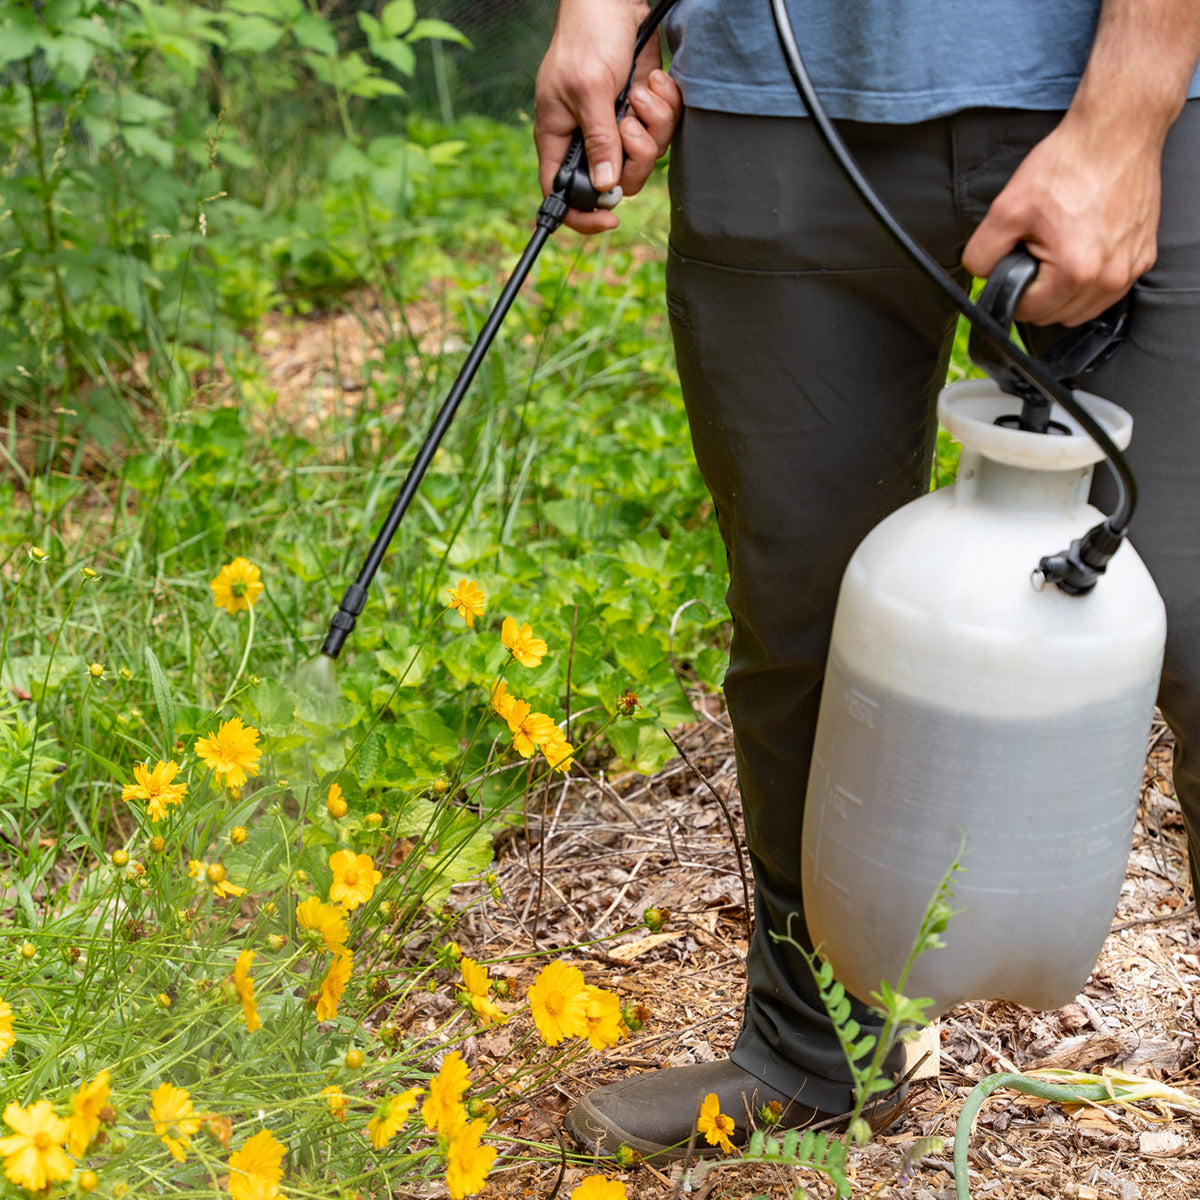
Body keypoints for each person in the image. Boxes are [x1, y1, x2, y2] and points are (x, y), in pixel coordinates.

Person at [534, 0, 1200, 1161]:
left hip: (1155, 103)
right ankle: (814, 1052)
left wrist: (1125, 112)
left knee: (1196, 617)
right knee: (807, 617)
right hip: (773, 94)